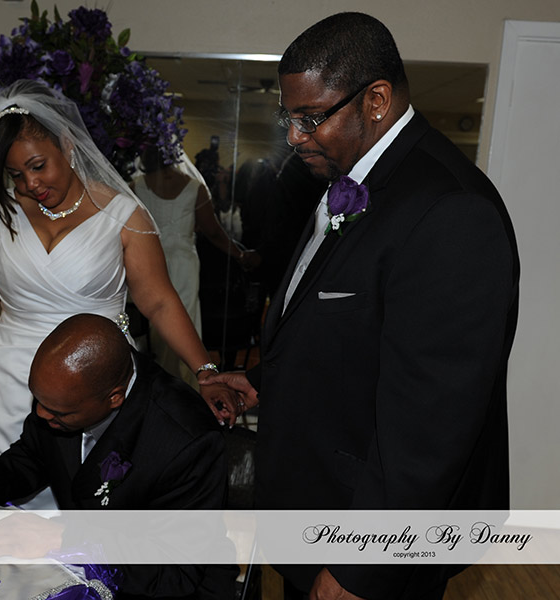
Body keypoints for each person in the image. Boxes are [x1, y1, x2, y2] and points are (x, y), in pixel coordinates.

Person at [202, 12, 519, 600]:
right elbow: (356, 332)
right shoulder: (354, 174)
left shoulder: (451, 211)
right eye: (289, 118)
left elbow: (431, 422)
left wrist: (362, 566)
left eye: (310, 118)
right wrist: (262, 380)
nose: (294, 137)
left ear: (376, 101)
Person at [0, 81, 237, 508]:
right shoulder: (1, 213)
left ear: (67, 145)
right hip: (7, 379)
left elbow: (159, 301)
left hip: (90, 383)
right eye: (16, 175)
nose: (30, 183)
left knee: (79, 498)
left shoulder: (123, 214)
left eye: (38, 166)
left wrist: (206, 371)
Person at [0, 313, 237, 599]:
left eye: (57, 412)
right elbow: (33, 456)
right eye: (38, 401)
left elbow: (174, 571)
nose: (40, 414)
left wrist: (66, 539)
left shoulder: (188, 441)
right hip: (83, 571)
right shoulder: (63, 393)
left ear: (114, 398)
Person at [130, 146, 259, 384]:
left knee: (151, 323)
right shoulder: (193, 187)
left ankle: (154, 382)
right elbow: (214, 232)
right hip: (183, 265)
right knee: (183, 319)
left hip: (145, 261)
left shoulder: (134, 186)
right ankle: (183, 382)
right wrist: (240, 255)